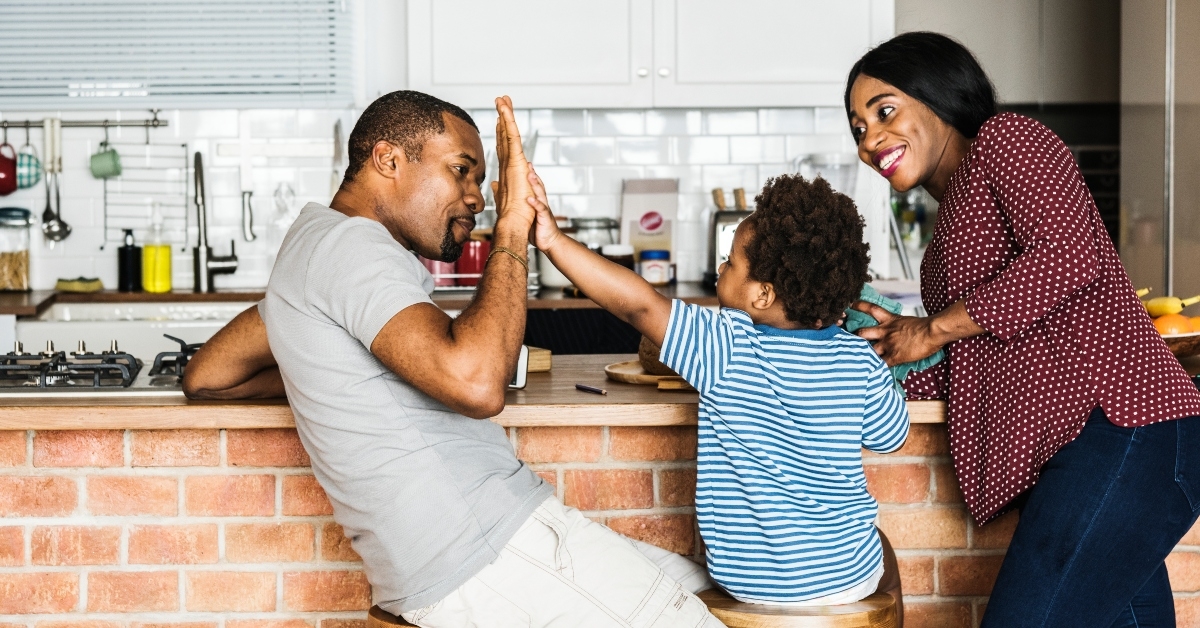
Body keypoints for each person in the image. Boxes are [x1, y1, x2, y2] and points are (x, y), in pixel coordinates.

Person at [183, 90, 722, 628]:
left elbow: (208, 377)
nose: (477, 198)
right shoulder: (352, 248)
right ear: (388, 160)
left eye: (482, 181)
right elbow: (478, 385)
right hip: (485, 554)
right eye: (461, 170)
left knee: (703, 584)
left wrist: (334, 371)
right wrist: (513, 227)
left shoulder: (315, 246)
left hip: (487, 543)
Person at [844, 32, 1200, 627]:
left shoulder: (1008, 140)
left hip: (1122, 429)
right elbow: (982, 354)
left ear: (939, 97)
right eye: (857, 129)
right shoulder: (949, 234)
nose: (870, 140)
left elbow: (1068, 255)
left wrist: (930, 331)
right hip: (1085, 452)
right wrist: (872, 359)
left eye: (884, 111)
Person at [523, 169, 908, 607]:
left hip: (749, 584)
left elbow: (638, 304)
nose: (721, 267)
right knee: (884, 557)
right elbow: (889, 436)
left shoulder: (724, 343)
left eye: (730, 263)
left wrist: (552, 240)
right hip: (845, 578)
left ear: (762, 295)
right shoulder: (859, 360)